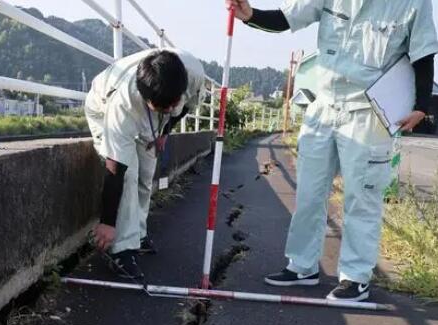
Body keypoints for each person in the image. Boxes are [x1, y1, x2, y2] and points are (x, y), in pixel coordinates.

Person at [227, 0, 438, 301]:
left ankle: (355, 277)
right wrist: (250, 15)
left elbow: (423, 54)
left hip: (369, 111)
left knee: (361, 197)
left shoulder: (413, 2)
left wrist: (421, 107)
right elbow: (289, 17)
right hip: (324, 106)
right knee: (309, 193)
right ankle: (302, 266)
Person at [85, 48, 205, 279]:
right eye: (164, 106)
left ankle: (138, 233)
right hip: (103, 108)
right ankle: (122, 249)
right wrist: (107, 222)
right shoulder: (123, 106)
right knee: (129, 175)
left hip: (153, 120)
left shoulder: (192, 74)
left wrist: (164, 132)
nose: (171, 109)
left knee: (146, 173)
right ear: (146, 98)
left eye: (174, 102)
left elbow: (185, 107)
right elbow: (115, 168)